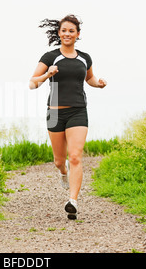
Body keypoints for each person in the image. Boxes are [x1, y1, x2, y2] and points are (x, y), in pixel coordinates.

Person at [29, 14, 107, 220]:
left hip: (78, 111)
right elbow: (32, 83)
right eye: (64, 30)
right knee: (59, 160)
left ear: (78, 34)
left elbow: (89, 78)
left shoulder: (85, 58)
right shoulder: (50, 57)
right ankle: (63, 172)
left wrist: (99, 83)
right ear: (59, 33)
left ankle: (73, 201)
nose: (67, 34)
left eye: (71, 31)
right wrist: (48, 75)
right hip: (55, 112)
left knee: (75, 156)